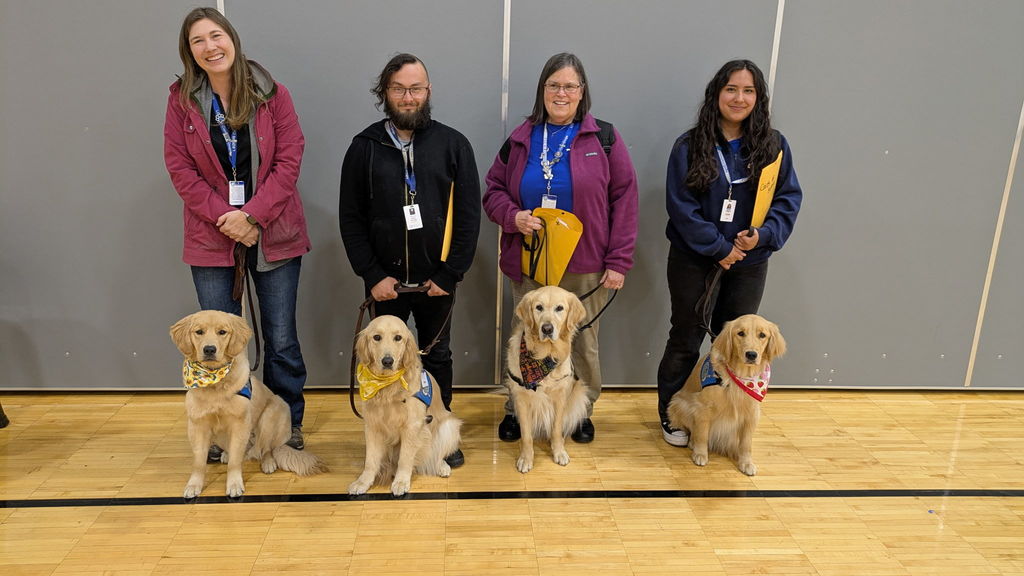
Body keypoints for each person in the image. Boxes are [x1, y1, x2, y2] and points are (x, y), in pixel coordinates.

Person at [164, 7, 311, 453]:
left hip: (275, 231)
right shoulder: (181, 99)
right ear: (189, 52)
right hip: (212, 236)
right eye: (198, 41)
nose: (210, 47)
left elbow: (290, 158)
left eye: (216, 36)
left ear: (232, 38)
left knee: (280, 337)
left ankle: (286, 423)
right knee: (209, 342)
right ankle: (217, 431)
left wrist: (252, 216)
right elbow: (180, 167)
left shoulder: (273, 93)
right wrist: (225, 218)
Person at [483, 52, 639, 444]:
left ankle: (578, 410)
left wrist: (619, 259)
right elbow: (494, 191)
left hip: (586, 262)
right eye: (553, 85)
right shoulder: (521, 139)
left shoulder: (603, 137)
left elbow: (626, 198)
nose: (561, 93)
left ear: (582, 92)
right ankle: (518, 411)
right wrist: (512, 217)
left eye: (570, 86)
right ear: (543, 90)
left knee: (581, 340)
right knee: (527, 336)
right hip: (532, 261)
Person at [339, 53, 480, 468]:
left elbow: (469, 216)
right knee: (384, 362)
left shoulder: (453, 144)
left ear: (428, 91)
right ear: (386, 93)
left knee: (438, 358)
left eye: (416, 88)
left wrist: (450, 272)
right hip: (386, 283)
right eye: (399, 88)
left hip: (437, 280)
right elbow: (351, 218)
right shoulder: (363, 147)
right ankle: (388, 437)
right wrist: (372, 275)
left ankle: (436, 432)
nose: (408, 96)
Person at [657, 59, 802, 446]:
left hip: (749, 263)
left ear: (759, 98)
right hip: (694, 259)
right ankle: (675, 413)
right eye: (731, 89)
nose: (739, 98)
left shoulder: (774, 145)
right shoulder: (689, 145)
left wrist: (764, 235)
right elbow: (680, 205)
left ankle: (732, 413)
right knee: (685, 337)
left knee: (740, 342)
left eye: (748, 91)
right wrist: (719, 247)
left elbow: (788, 199)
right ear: (716, 94)